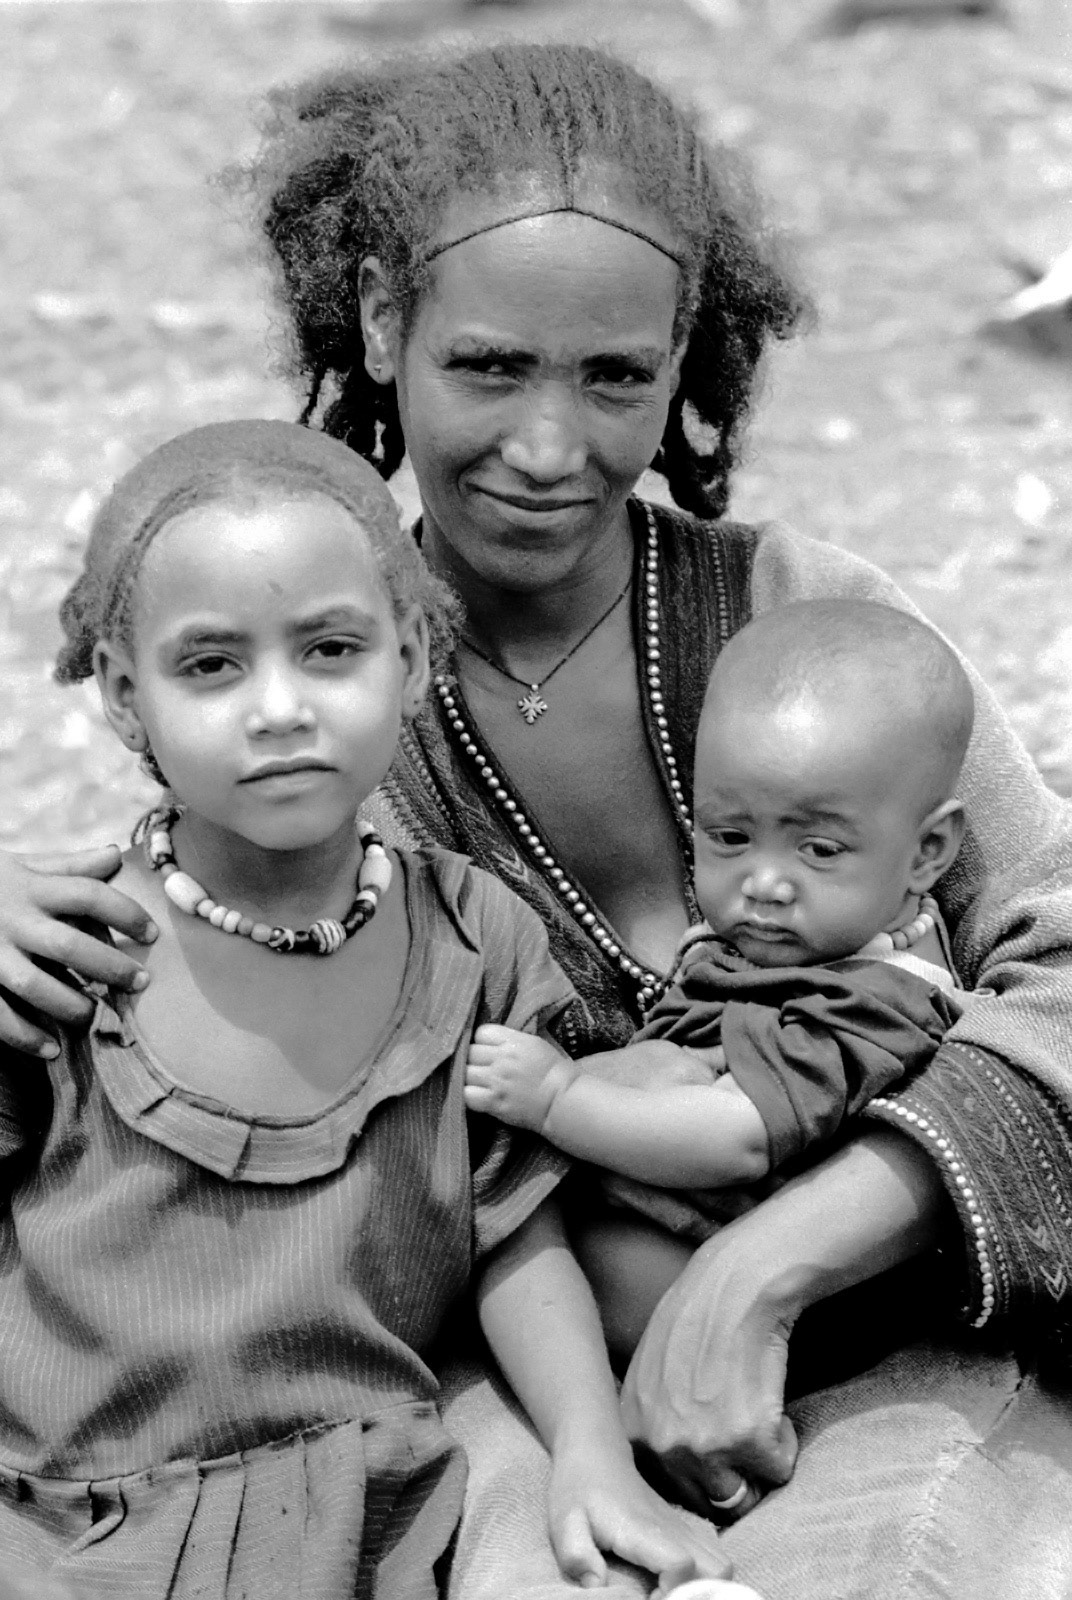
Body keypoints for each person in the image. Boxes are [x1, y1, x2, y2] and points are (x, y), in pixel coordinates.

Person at [2, 40, 1072, 1600]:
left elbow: (1064, 960)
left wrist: (769, 1266)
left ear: (682, 356)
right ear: (384, 323)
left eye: (616, 375)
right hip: (520, 1388)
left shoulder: (803, 627)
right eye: (492, 366)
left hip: (895, 1332)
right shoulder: (333, 694)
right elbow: (193, 966)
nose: (551, 447)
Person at [0, 418, 731, 1599]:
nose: (279, 708)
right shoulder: (64, 949)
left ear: (414, 654)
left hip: (370, 1513)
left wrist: (591, 1457)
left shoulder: (472, 938)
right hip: (54, 1527)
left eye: (331, 649)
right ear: (126, 699)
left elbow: (515, 1230)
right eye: (210, 666)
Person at [464, 599, 972, 1291]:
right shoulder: (783, 947)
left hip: (728, 1279)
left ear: (929, 850)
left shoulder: (876, 1003)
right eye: (731, 837)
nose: (764, 884)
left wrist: (558, 1099)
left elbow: (736, 1137)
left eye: (819, 849)